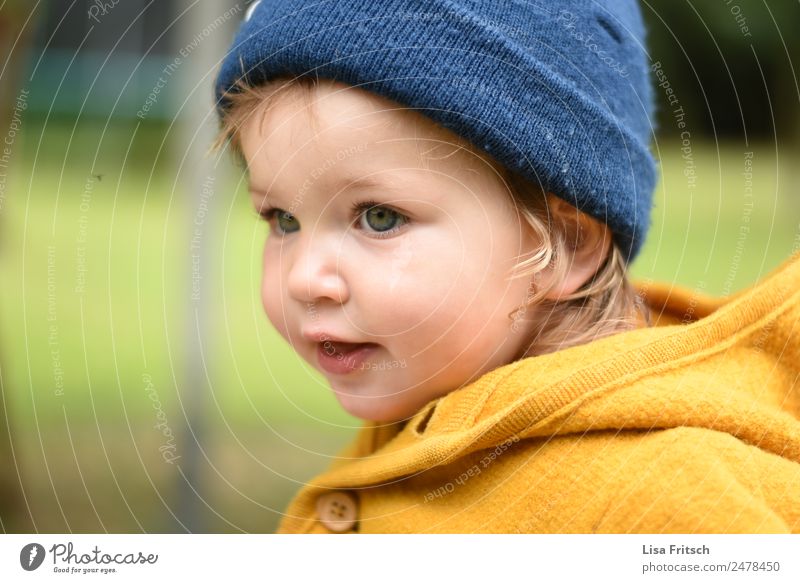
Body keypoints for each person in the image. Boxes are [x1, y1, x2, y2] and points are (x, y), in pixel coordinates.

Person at [212, 0, 800, 533]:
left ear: (566, 244)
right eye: (282, 219)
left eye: (381, 217)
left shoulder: (669, 498)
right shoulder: (426, 417)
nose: (303, 278)